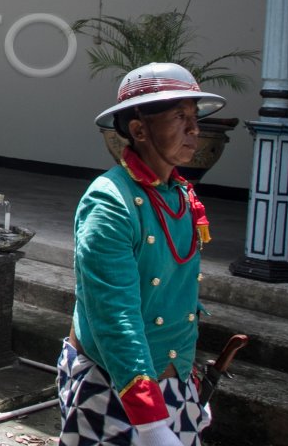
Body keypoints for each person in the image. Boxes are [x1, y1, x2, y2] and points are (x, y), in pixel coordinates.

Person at [58, 63, 223, 446]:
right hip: (117, 380)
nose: (194, 129)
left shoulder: (179, 194)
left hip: (174, 378)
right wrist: (150, 422)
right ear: (138, 130)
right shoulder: (110, 201)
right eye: (179, 117)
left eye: (195, 117)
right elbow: (114, 313)